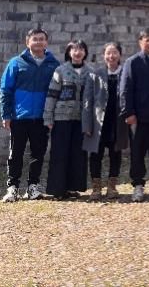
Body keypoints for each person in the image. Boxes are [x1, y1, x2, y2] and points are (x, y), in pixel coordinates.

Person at [0, 28, 60, 202]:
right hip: (19, 117)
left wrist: (53, 115)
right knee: (16, 153)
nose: (38, 42)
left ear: (46, 42)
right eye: (35, 39)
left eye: (42, 39)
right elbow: (5, 90)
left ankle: (33, 187)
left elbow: (58, 92)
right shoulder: (16, 63)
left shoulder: (53, 64)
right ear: (28, 42)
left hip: (42, 117)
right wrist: (6, 114)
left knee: (38, 153)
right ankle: (12, 188)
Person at [119, 28, 149, 202]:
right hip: (138, 117)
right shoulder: (133, 62)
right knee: (137, 152)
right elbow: (125, 89)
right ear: (140, 42)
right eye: (147, 40)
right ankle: (138, 184)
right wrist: (128, 112)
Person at [43, 39, 93, 199]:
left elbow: (93, 99)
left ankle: (73, 187)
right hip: (61, 119)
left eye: (81, 49)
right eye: (74, 49)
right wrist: (48, 117)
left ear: (85, 52)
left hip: (81, 120)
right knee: (60, 154)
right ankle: (58, 190)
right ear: (69, 52)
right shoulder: (60, 70)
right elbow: (52, 95)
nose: (77, 52)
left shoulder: (90, 73)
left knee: (78, 154)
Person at [83, 42, 129, 200]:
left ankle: (112, 187)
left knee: (116, 154)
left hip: (118, 122)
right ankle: (96, 188)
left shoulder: (125, 73)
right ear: (103, 56)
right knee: (95, 155)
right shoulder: (95, 75)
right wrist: (87, 124)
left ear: (120, 55)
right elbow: (87, 101)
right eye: (108, 53)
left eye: (115, 52)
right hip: (98, 122)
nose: (111, 56)